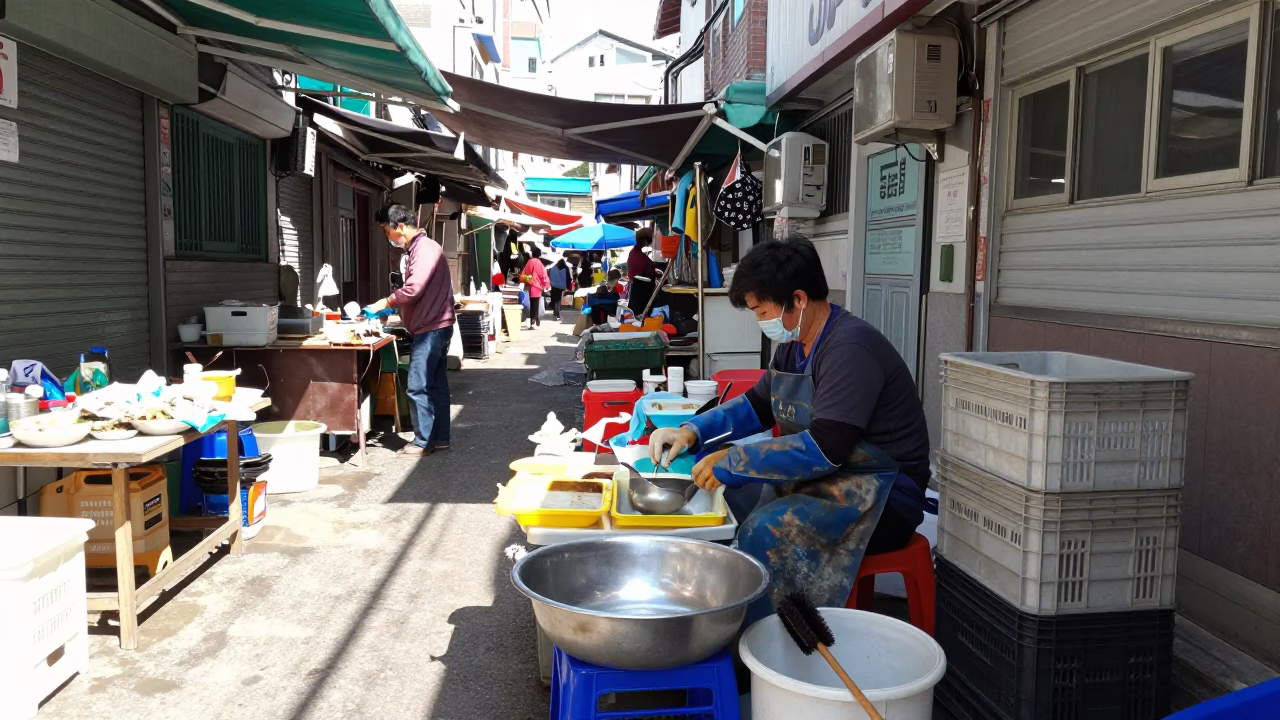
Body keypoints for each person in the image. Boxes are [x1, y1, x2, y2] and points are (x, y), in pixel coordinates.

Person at [648, 236, 930, 624]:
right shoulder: (794, 344)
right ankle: (722, 625)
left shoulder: (850, 349)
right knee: (735, 500)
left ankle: (762, 656)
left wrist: (733, 458)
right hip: (830, 478)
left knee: (765, 529)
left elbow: (824, 449)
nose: (759, 321)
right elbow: (758, 405)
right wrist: (692, 430)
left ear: (797, 299)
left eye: (760, 310)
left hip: (884, 496)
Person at [364, 204, 456, 457]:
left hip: (431, 329)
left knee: (417, 385)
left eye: (386, 230)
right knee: (435, 385)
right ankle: (439, 438)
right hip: (436, 325)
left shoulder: (423, 249)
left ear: (400, 227)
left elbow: (414, 288)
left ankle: (423, 442)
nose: (387, 237)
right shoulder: (422, 248)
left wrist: (387, 302)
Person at [521, 246, 551, 328]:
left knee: (532, 303)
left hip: (530, 285)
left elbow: (524, 273)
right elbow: (544, 276)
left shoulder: (529, 262)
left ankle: (533, 321)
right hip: (538, 287)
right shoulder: (540, 264)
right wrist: (546, 285)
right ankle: (536, 319)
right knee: (536, 303)